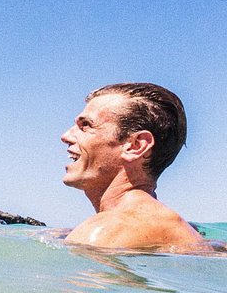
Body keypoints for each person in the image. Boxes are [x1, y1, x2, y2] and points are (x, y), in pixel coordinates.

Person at [61, 82, 205, 251]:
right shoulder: (182, 230)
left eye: (85, 125)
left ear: (135, 146)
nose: (66, 136)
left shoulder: (104, 232)